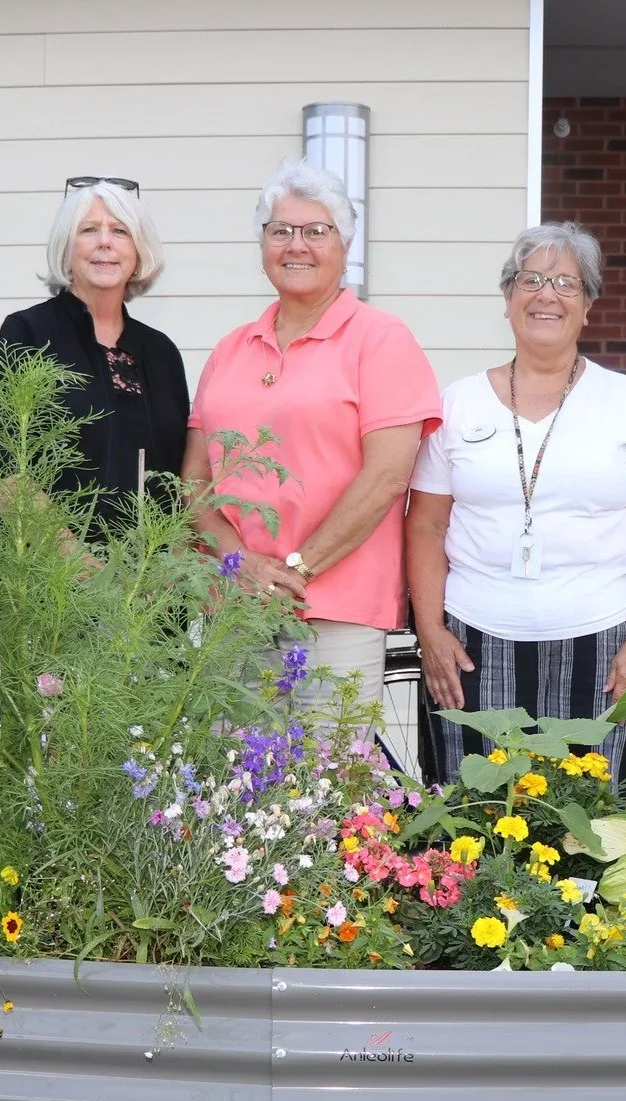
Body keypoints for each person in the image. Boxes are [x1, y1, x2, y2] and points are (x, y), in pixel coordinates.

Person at [408, 223, 626, 791]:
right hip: (473, 644)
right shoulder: (457, 403)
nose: (547, 295)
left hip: (607, 639)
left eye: (566, 283)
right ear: (507, 297)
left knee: (602, 812)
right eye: (530, 279)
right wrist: (430, 630)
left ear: (588, 305)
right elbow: (426, 526)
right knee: (477, 811)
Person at [181, 159, 442, 710]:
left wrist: (296, 571)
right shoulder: (230, 349)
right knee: (232, 761)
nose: (296, 245)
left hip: (338, 609)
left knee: (326, 761)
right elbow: (194, 481)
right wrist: (241, 565)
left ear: (345, 244)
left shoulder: (380, 340)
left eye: (315, 231)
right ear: (262, 245)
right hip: (235, 606)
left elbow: (387, 476)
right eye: (280, 230)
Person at [0, 177, 187, 520]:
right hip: (47, 550)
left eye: (120, 231)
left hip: (148, 554)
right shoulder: (29, 333)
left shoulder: (161, 352)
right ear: (66, 250)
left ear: (138, 252)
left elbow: (179, 477)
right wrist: (71, 551)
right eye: (89, 230)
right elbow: (1, 461)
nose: (105, 242)